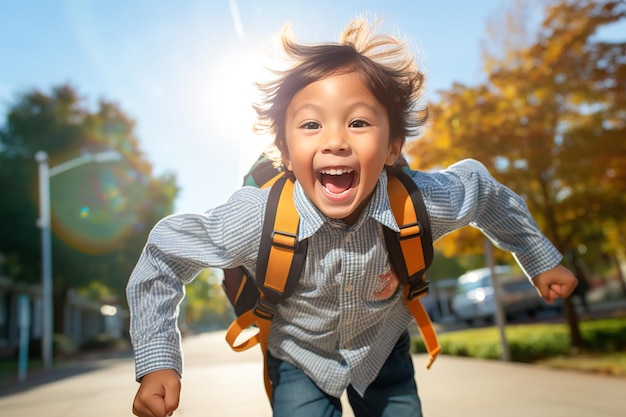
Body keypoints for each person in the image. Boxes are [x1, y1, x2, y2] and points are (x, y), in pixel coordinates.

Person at [127, 18, 578, 417]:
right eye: (310, 125)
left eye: (359, 123)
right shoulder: (255, 217)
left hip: (382, 349)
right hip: (298, 357)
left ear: (393, 147)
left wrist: (539, 258)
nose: (336, 141)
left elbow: (481, 190)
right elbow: (166, 253)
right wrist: (158, 360)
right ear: (284, 152)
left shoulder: (419, 203)